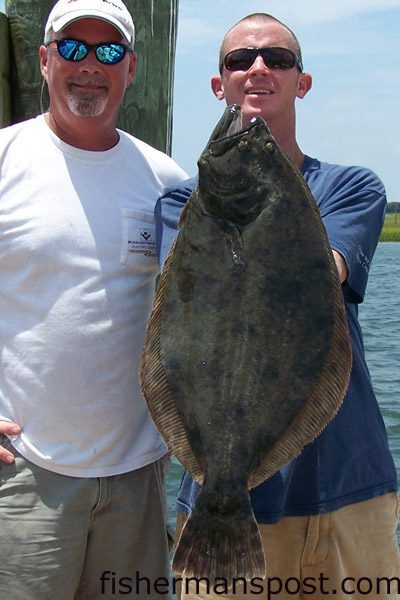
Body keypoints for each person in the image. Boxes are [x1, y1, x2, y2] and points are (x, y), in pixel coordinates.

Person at [155, 12, 400, 600]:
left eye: (277, 59)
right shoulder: (180, 204)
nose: (258, 68)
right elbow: (180, 307)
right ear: (220, 85)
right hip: (223, 488)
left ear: (301, 81)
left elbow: (328, 275)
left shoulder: (352, 188)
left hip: (352, 485)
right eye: (240, 60)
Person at [0, 0, 187, 598]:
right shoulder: (5, 158)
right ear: (44, 60)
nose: (89, 66)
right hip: (23, 473)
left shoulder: (168, 181)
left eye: (107, 52)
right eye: (72, 48)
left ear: (131, 68)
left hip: (139, 477)